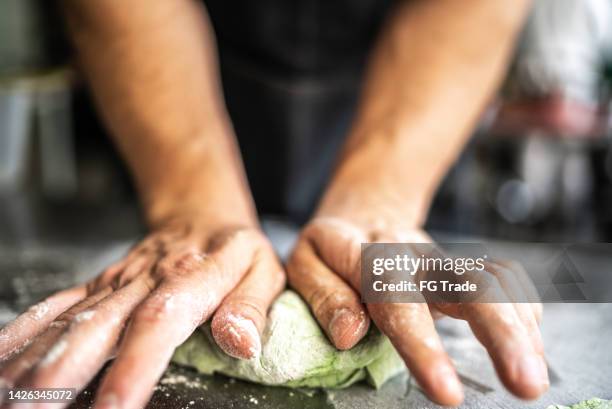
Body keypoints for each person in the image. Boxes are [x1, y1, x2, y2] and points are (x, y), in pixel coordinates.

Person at [0, 1, 548, 407]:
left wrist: (380, 201)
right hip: (176, 89)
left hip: (409, 107)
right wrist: (191, 202)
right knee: (168, 296)